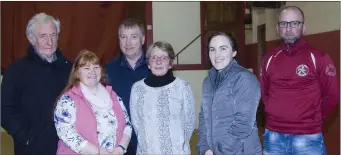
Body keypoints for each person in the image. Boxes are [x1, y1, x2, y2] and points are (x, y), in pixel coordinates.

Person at [260, 6, 340, 155]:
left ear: (303, 27)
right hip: (273, 137)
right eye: (284, 24)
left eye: (294, 23)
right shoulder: (268, 59)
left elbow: (333, 96)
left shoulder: (319, 58)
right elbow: (264, 92)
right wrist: (273, 110)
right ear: (278, 28)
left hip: (308, 138)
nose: (288, 28)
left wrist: (313, 117)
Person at [1, 13, 72, 155]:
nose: (50, 42)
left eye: (53, 35)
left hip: (67, 148)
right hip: (31, 149)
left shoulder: (70, 68)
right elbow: (5, 110)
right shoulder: (16, 71)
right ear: (32, 39)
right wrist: (25, 138)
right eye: (43, 36)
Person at [54, 50, 132, 155]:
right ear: (77, 73)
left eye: (96, 67)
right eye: (86, 68)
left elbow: (127, 124)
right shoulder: (68, 100)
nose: (92, 72)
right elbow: (65, 132)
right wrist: (97, 152)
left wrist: (121, 147)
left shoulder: (112, 95)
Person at [197, 32, 262, 155]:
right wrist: (205, 148)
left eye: (223, 49)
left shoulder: (244, 79)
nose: (217, 55)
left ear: (234, 52)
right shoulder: (208, 81)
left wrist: (220, 151)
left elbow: (243, 124)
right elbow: (203, 117)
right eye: (212, 49)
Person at [130, 41, 196, 155]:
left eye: (164, 57)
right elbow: (136, 123)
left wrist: (177, 145)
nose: (158, 61)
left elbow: (189, 122)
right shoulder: (137, 89)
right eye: (154, 57)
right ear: (148, 64)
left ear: (170, 63)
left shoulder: (183, 87)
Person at [105, 18, 151, 154]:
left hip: (150, 139)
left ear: (142, 39)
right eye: (123, 37)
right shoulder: (109, 70)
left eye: (134, 37)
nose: (128, 43)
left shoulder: (155, 67)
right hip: (121, 143)